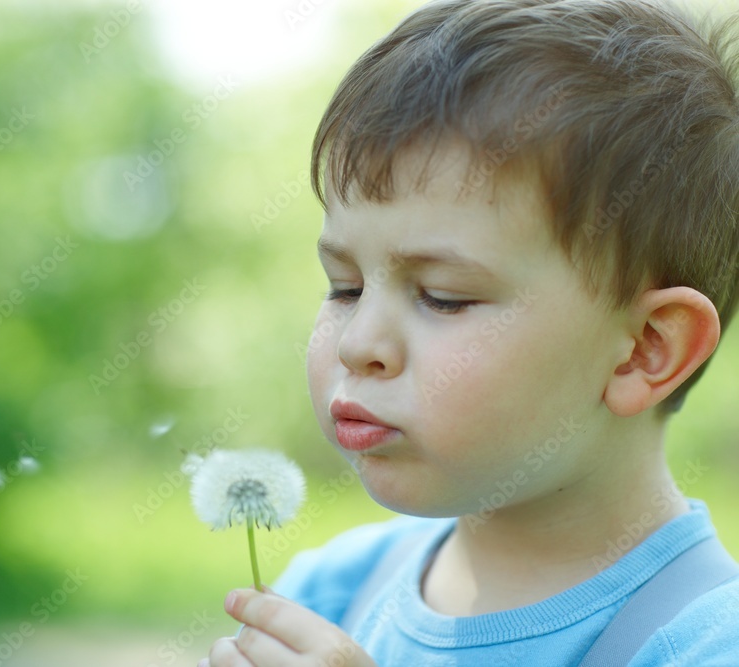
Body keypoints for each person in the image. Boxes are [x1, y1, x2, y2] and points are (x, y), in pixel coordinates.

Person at [199, 0, 739, 665]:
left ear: (644, 350)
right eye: (345, 286)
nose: (357, 344)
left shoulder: (706, 644)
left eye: (443, 297)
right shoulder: (329, 593)